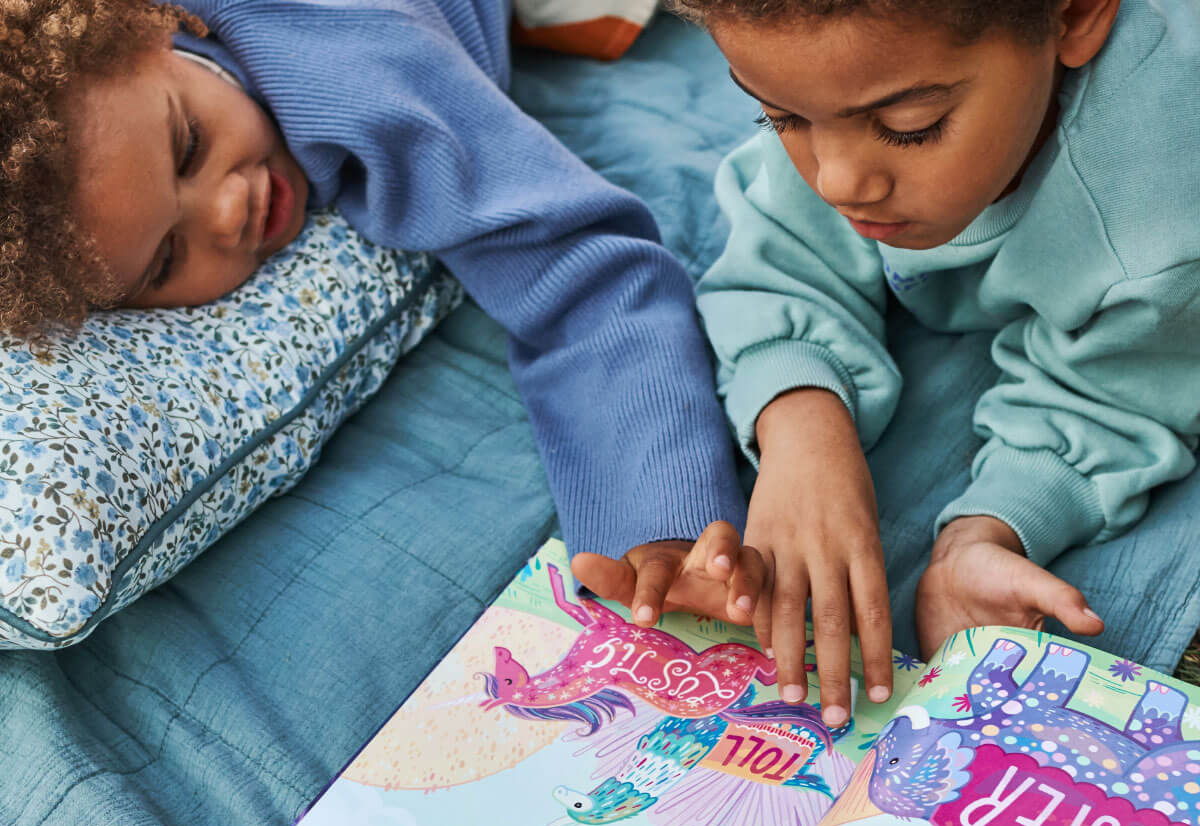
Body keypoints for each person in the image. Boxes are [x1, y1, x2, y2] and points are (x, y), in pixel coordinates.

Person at [4, 0, 839, 708]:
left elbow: (581, 274)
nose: (227, 211)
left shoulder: (355, 82)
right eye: (163, 262)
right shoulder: (91, 112)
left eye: (188, 146)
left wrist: (663, 527)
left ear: (169, 25)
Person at [673, 0, 1200, 689]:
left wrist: (985, 531)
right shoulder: (843, 77)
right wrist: (800, 421)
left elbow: (1119, 394)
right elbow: (786, 250)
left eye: (908, 128)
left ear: (1071, 17)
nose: (836, 181)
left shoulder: (1161, 217)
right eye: (780, 117)